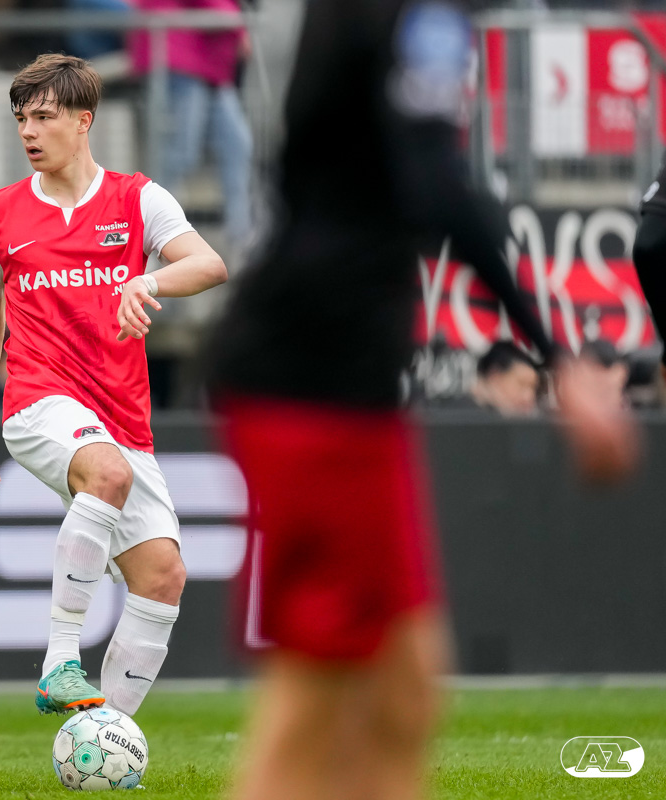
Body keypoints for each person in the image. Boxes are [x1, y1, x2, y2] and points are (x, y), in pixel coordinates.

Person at [205, 2, 638, 799]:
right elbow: (434, 183)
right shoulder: (414, 13)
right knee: (316, 697)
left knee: (405, 686)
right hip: (315, 382)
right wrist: (560, 359)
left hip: (336, 380)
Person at [0, 54, 227, 717]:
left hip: (122, 416)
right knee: (107, 473)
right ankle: (60, 663)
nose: (29, 131)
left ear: (83, 121)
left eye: (43, 116)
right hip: (39, 403)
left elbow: (210, 264)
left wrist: (147, 280)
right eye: (21, 118)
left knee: (162, 575)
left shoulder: (138, 199)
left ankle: (104, 735)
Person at [128, 0, 255, 256]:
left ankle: (242, 241)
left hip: (207, 65)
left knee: (237, 145)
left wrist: (236, 25)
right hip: (179, 59)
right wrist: (238, 25)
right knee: (178, 156)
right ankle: (151, 242)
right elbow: (219, 10)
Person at [471, 341, 540, 417]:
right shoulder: (465, 413)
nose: (529, 397)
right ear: (495, 377)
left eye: (534, 388)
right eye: (521, 384)